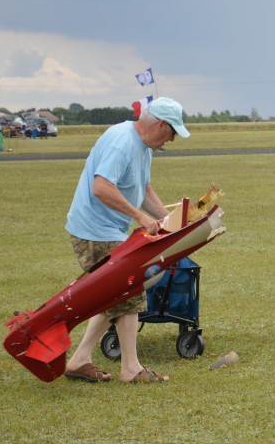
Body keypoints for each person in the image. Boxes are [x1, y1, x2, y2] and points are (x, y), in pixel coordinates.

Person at [62, 97, 192, 383]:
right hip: (94, 231)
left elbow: (144, 189)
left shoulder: (144, 147)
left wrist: (174, 222)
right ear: (160, 125)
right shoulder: (122, 142)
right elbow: (101, 187)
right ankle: (131, 369)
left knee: (114, 297)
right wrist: (140, 217)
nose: (171, 140)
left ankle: (80, 360)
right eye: (172, 133)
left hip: (110, 230)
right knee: (128, 292)